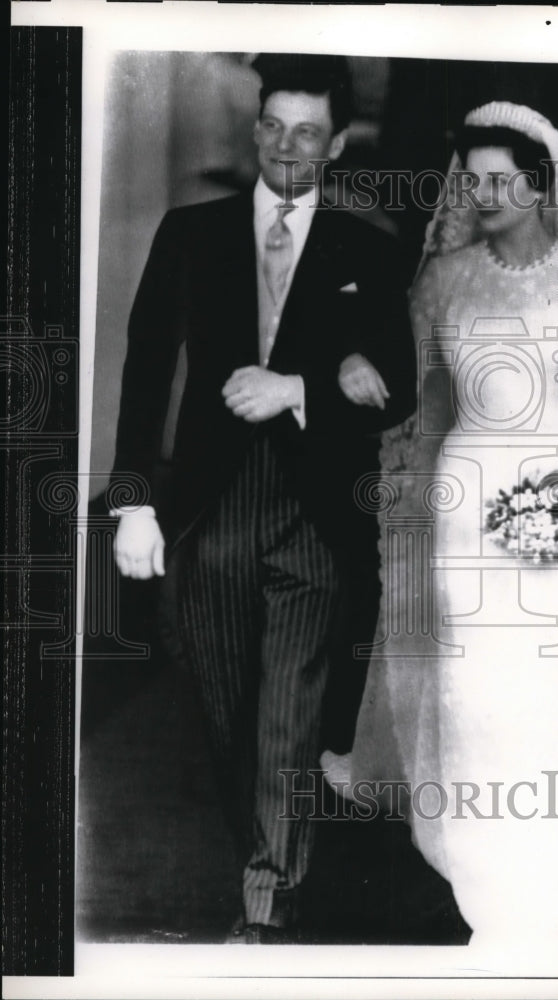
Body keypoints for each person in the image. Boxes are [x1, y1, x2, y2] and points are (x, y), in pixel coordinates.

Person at [341, 102, 558, 952]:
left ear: (543, 185)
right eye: (473, 179)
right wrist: (418, 516)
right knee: (480, 692)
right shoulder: (441, 279)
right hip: (467, 506)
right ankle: (489, 859)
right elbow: (429, 414)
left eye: (505, 179)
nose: (486, 193)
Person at [109, 54, 416, 941]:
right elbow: (143, 373)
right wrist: (134, 501)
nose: (287, 148)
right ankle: (264, 849)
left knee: (288, 713)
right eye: (273, 127)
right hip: (209, 507)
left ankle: (267, 905)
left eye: (308, 132)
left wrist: (300, 386)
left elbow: (399, 387)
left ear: (340, 142)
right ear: (255, 130)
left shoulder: (372, 249)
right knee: (224, 706)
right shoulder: (189, 233)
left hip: (315, 516)